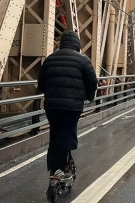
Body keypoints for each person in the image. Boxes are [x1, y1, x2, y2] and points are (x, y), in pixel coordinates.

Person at [37, 30, 98, 188]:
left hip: (52, 106)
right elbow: (92, 82)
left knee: (55, 134)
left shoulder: (50, 60)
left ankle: (54, 169)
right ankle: (60, 169)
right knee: (67, 134)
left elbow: (41, 84)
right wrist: (89, 96)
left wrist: (50, 93)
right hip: (73, 107)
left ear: (61, 43)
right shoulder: (83, 60)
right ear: (77, 44)